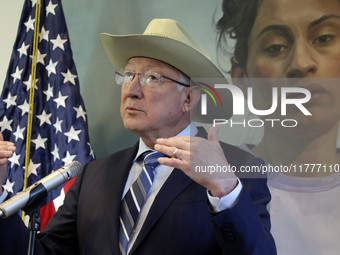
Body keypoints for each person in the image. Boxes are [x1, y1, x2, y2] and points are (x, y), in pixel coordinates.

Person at [0, 19, 276, 255]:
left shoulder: (237, 168)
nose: (130, 90)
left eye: (152, 78)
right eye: (128, 75)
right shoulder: (93, 175)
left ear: (189, 98)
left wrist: (224, 186)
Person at [217, 0, 340, 254]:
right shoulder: (206, 187)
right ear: (240, 78)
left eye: (324, 38)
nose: (302, 63)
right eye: (276, 47)